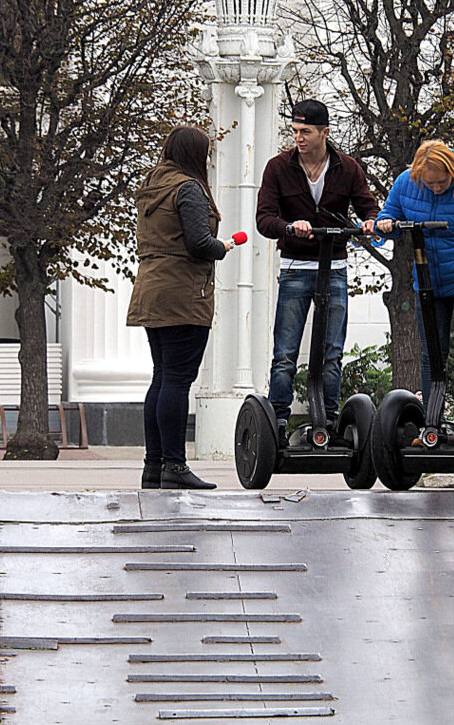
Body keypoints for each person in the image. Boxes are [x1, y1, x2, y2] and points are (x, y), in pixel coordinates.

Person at [255, 99, 379, 443]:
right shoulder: (278, 168)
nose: (299, 138)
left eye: (306, 131)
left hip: (334, 266)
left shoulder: (348, 168)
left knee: (331, 352)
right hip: (296, 267)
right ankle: (278, 422)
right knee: (285, 353)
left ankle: (330, 421)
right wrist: (289, 227)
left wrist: (371, 221)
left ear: (325, 132)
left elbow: (368, 204)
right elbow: (264, 219)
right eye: (295, 131)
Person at [126, 125, 237, 490]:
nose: (207, 159)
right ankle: (175, 465)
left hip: (152, 287)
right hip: (182, 292)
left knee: (161, 377)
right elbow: (198, 243)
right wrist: (222, 247)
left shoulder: (152, 186)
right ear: (194, 154)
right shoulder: (187, 188)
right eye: (206, 153)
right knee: (176, 379)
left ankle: (153, 466)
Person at [375, 139, 454, 446]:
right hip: (428, 284)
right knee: (431, 355)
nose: (435, 188)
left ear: (453, 173)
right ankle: (431, 424)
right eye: (429, 182)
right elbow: (389, 213)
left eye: (441, 182)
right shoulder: (407, 183)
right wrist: (384, 225)